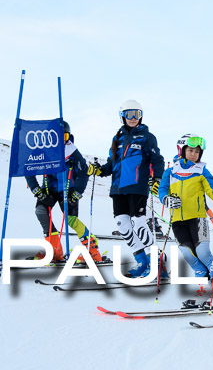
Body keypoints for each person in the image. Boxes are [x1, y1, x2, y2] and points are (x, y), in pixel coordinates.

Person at [158, 135, 213, 308]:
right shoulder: (171, 171)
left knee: (203, 253)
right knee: (190, 256)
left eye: (197, 151)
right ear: (182, 151)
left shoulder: (201, 170)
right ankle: (204, 291)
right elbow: (162, 189)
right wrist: (166, 199)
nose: (194, 154)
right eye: (190, 150)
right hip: (177, 220)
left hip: (197, 219)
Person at [88, 100, 166, 279]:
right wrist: (99, 170)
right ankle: (142, 261)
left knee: (139, 224)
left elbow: (158, 160)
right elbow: (111, 164)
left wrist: (158, 178)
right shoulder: (117, 139)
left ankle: (158, 262)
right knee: (123, 226)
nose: (133, 118)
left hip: (137, 186)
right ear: (122, 116)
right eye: (129, 114)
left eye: (137, 114)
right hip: (118, 188)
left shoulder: (147, 137)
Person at [25, 121, 102, 263]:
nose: (61, 140)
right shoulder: (42, 150)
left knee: (71, 220)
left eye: (64, 136)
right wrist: (37, 192)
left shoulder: (72, 152)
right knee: (41, 212)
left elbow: (84, 173)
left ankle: (92, 250)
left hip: (69, 190)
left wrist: (77, 193)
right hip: (49, 190)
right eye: (56, 137)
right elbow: (29, 170)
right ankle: (55, 251)